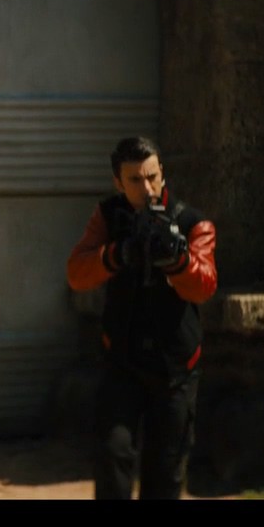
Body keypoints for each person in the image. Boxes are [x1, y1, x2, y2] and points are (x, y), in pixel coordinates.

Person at [67, 136, 218, 499]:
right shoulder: (109, 217)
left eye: (152, 176)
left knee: (165, 473)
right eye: (135, 180)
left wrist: (178, 261)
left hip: (175, 368)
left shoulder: (193, 222)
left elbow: (205, 286)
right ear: (118, 182)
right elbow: (77, 273)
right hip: (123, 361)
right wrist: (117, 255)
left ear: (162, 173)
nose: (147, 188)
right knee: (112, 454)